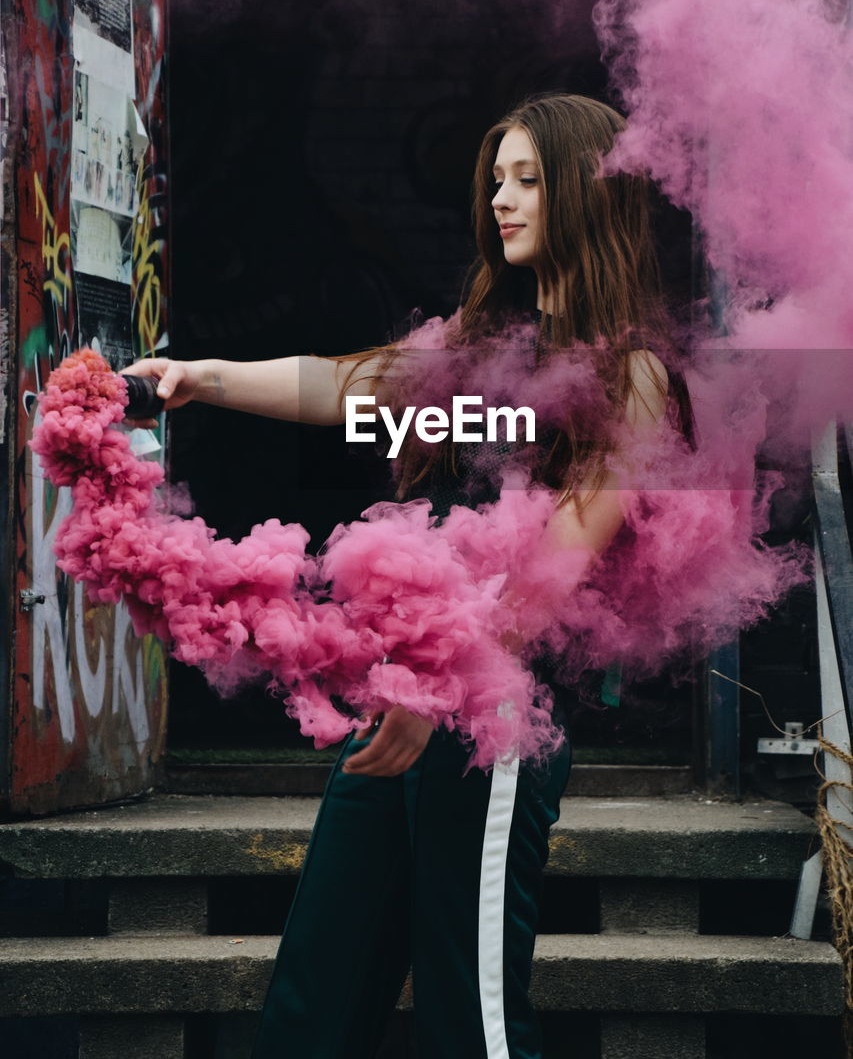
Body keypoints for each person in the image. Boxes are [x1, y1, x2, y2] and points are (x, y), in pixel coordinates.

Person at [123, 93, 691, 1059]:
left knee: (472, 1019)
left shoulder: (630, 377)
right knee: (318, 988)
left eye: (528, 180)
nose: (502, 202)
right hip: (406, 702)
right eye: (496, 182)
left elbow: (555, 565)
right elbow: (343, 381)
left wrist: (441, 687)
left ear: (590, 197)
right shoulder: (475, 353)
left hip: (493, 717)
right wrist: (203, 375)